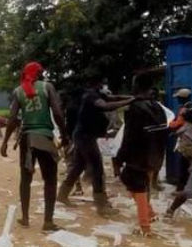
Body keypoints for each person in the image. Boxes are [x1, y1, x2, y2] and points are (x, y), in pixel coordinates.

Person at [0, 62, 67, 231]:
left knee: (26, 179)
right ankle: (48, 221)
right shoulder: (47, 87)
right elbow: (58, 113)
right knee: (50, 180)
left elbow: (13, 118)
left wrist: (5, 142)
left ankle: (25, 218)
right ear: (38, 73)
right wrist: (65, 135)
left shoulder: (18, 91)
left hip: (27, 139)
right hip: (44, 137)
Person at [57, 73, 136, 217]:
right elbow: (106, 105)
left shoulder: (95, 94)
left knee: (78, 167)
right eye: (102, 82)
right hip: (85, 137)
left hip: (83, 135)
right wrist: (129, 102)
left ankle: (62, 194)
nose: (104, 86)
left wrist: (132, 98)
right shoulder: (91, 96)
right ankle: (101, 206)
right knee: (97, 169)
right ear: (97, 83)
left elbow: (112, 98)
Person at [115, 74, 168, 236]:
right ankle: (149, 213)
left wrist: (120, 157)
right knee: (136, 183)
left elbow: (129, 135)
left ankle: (145, 227)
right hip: (155, 154)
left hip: (138, 155)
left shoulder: (135, 108)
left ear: (137, 86)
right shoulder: (158, 107)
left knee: (137, 186)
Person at [169, 88, 192, 192]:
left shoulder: (183, 109)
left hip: (185, 138)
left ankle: (180, 188)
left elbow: (178, 124)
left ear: (182, 98)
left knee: (183, 165)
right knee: (190, 163)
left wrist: (169, 123)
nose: (177, 100)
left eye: (178, 98)